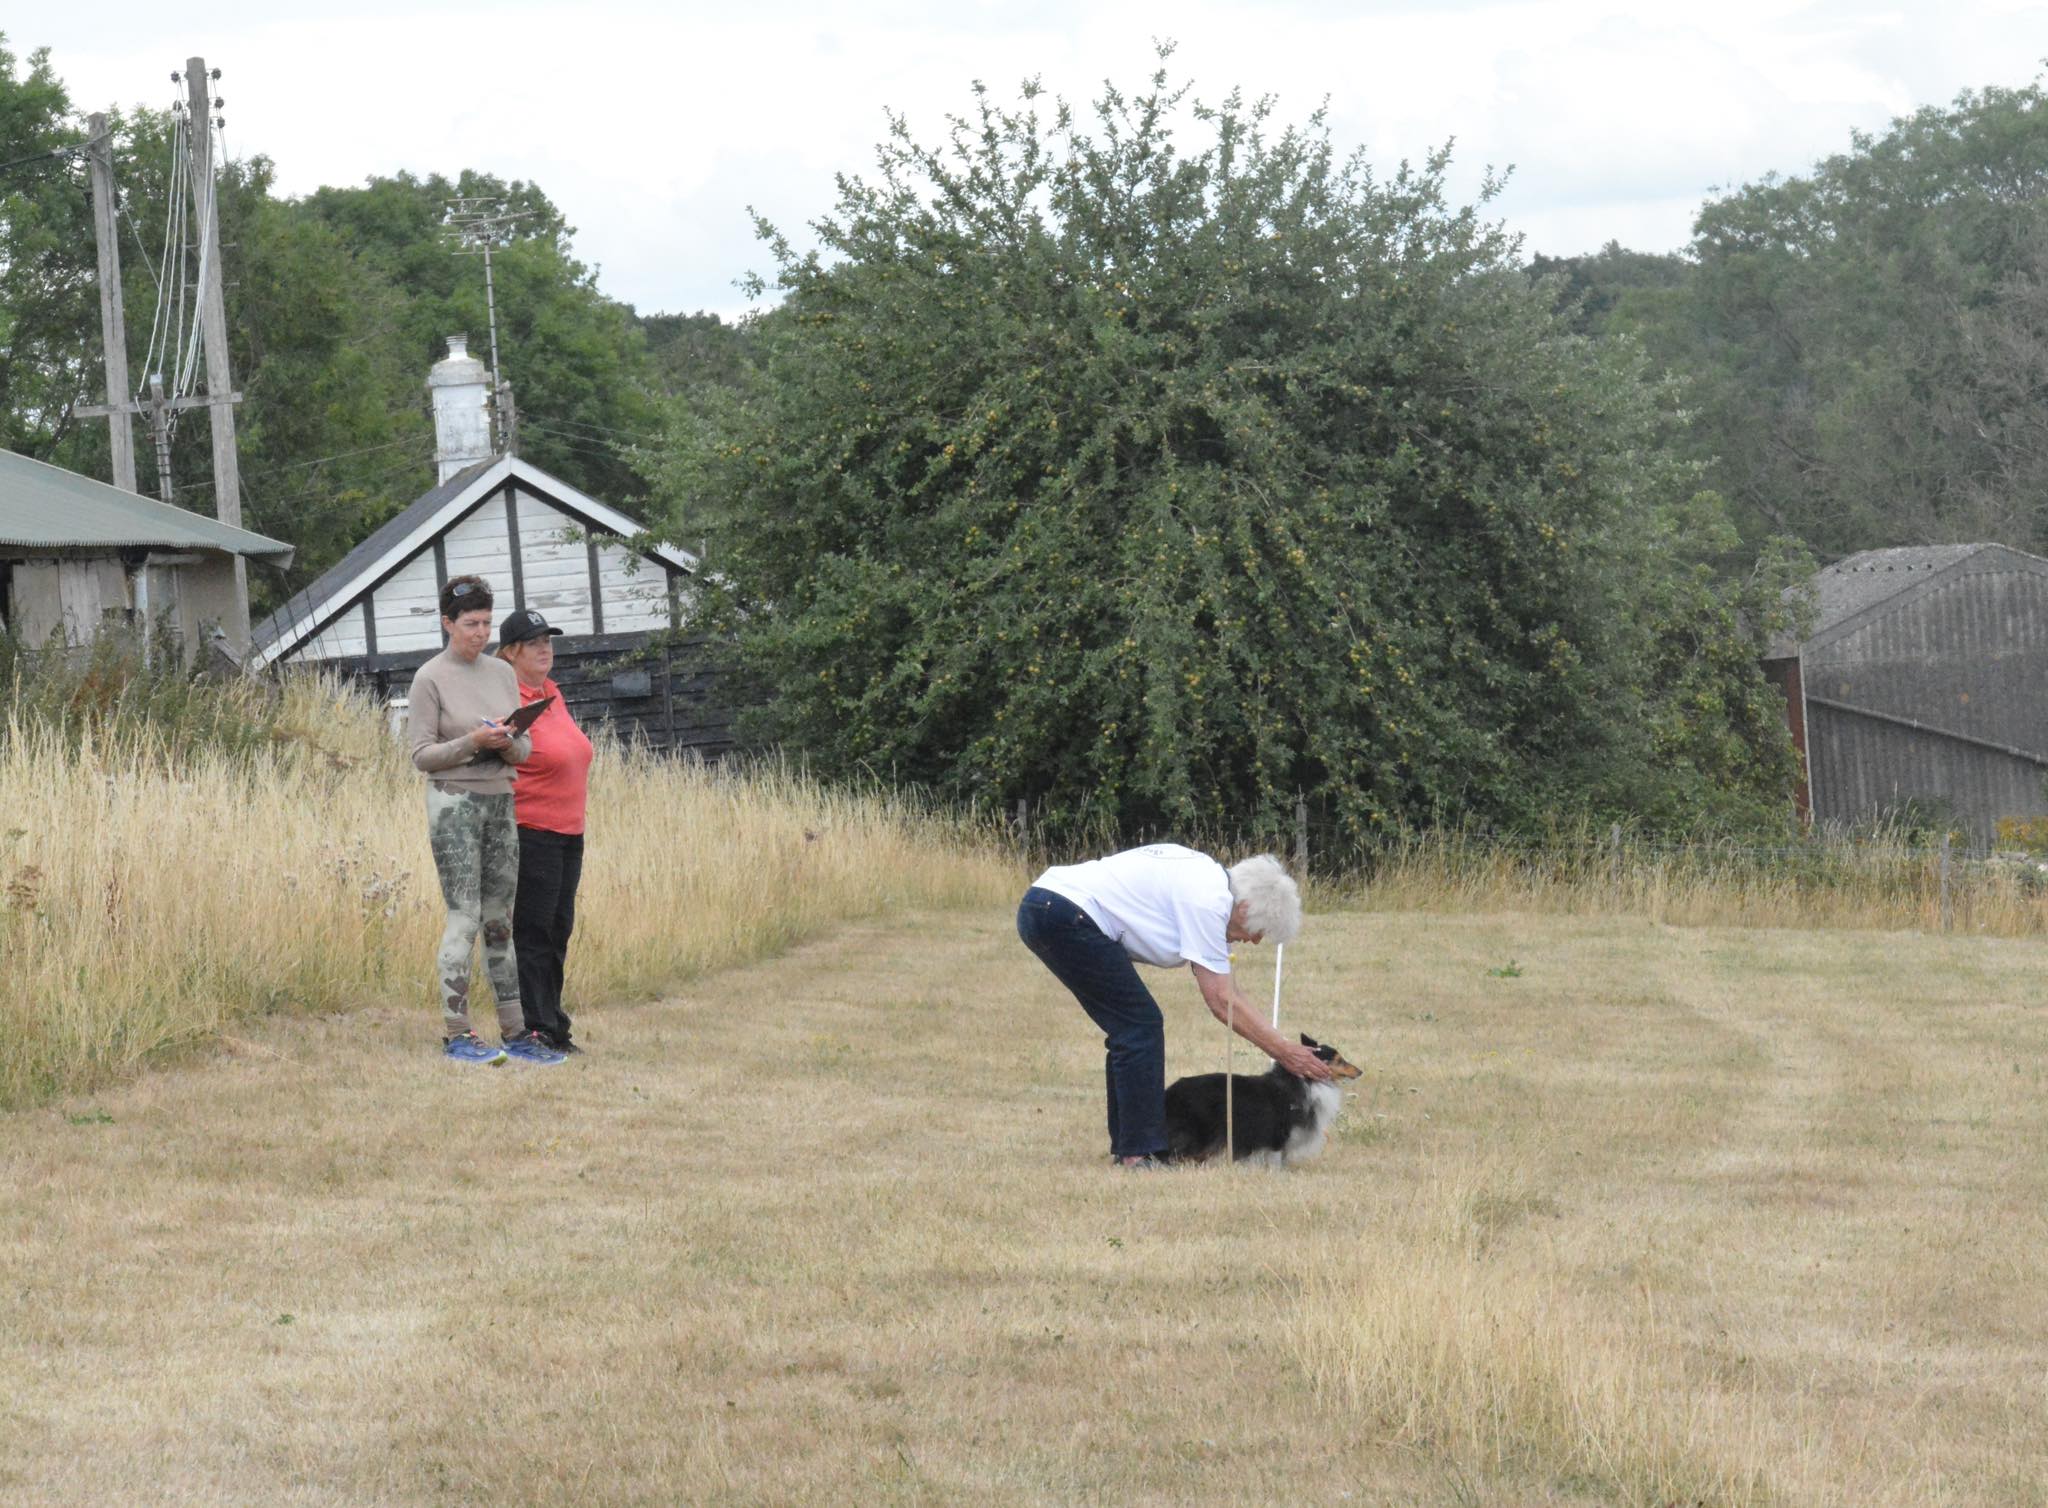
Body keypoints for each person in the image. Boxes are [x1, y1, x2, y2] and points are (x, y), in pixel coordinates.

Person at [1017, 844, 1329, 1168]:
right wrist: (1285, 1052)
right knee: (1139, 1026)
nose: (1253, 942)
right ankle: (1140, 1155)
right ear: (1245, 909)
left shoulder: (1209, 883)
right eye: (1258, 932)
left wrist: (1281, 1044)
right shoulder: (1208, 902)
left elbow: (1231, 989)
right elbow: (1221, 1001)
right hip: (1064, 914)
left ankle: (1131, 1147)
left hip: (1051, 904)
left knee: (1133, 1026)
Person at [406, 575, 564, 1066]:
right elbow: (421, 755)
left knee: (500, 919)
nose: (479, 633)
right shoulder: (429, 677)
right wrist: (471, 744)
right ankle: (457, 1031)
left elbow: (524, 747)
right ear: (447, 623)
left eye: (486, 623)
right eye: (470, 624)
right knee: (465, 916)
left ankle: (516, 1031)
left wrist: (507, 742)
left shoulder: (500, 674)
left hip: (501, 798)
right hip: (453, 804)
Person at [496, 606, 594, 1054]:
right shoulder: (506, 696)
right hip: (531, 828)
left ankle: (554, 1023)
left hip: (569, 830)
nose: (544, 649)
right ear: (511, 651)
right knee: (533, 930)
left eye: (548, 641)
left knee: (559, 928)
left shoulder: (550, 692)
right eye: (534, 642)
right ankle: (534, 1026)